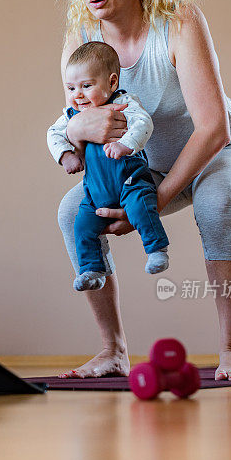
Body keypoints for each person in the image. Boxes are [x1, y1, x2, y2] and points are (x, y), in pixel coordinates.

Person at [55, 0, 231, 381]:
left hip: (227, 150)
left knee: (216, 200)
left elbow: (213, 128)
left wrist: (151, 203)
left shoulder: (178, 21)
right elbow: (81, 126)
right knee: (73, 211)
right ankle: (112, 349)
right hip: (145, 164)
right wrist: (73, 132)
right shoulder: (80, 39)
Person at [47, 41, 170, 290]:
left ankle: (157, 250)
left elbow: (143, 123)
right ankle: (92, 269)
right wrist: (66, 155)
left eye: (86, 86)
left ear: (112, 83)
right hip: (95, 191)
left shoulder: (125, 103)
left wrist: (126, 144)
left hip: (130, 180)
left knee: (141, 207)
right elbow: (53, 133)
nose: (77, 95)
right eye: (71, 88)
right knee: (81, 224)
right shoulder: (72, 114)